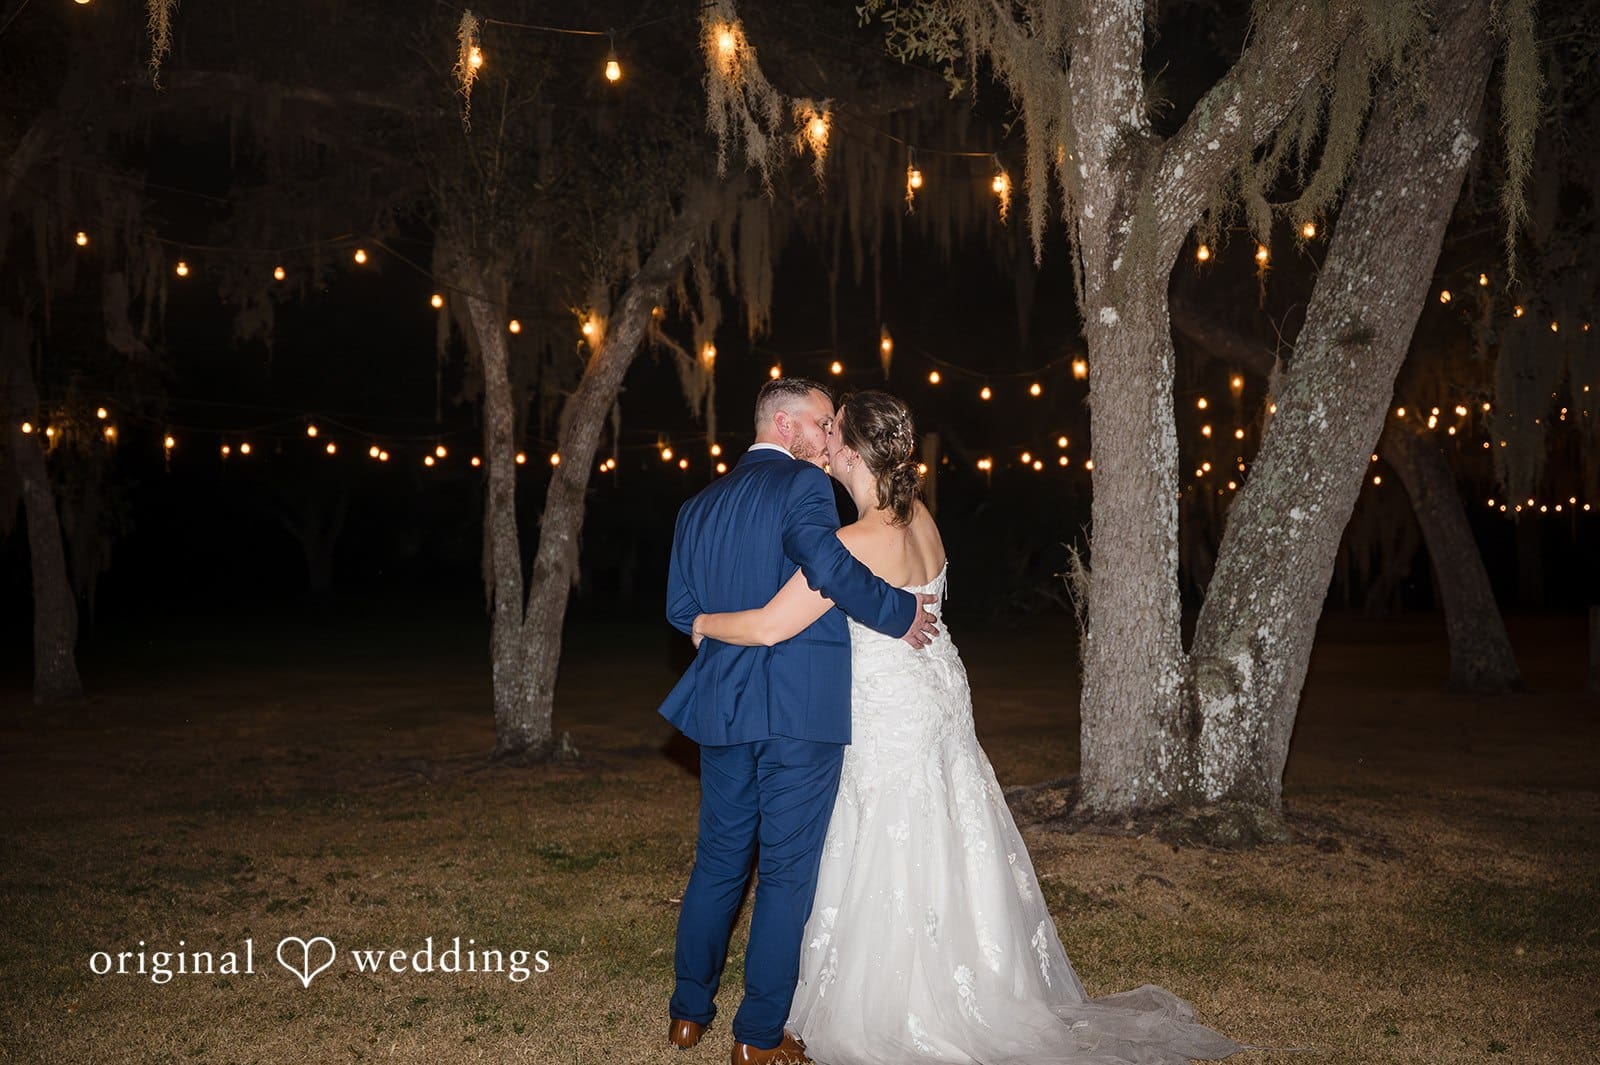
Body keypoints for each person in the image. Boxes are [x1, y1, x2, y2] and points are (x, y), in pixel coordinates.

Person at [692, 391, 1242, 1065]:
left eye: (834, 432)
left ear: (857, 452)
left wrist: (703, 623)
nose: (823, 442)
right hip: (939, 691)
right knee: (947, 826)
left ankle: (901, 1000)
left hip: (890, 702)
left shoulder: (852, 541)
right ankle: (979, 975)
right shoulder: (922, 517)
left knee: (889, 830)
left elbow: (773, 624)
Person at [658, 378, 941, 1065]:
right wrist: (899, 612)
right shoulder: (804, 490)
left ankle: (687, 1014)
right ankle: (758, 1035)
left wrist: (702, 628)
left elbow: (678, 609)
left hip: (725, 710)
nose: (828, 437)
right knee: (785, 873)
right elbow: (828, 565)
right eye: (820, 423)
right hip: (799, 709)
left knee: (719, 863)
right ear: (784, 425)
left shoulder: (695, 508)